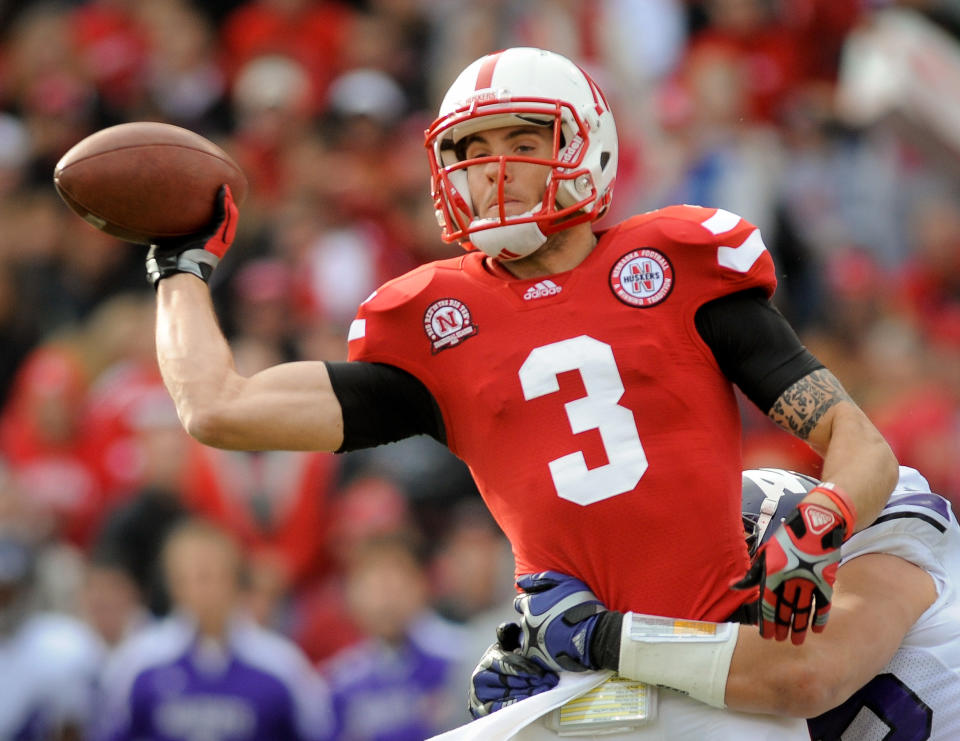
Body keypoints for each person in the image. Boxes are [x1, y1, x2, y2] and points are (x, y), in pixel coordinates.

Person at [147, 46, 897, 736]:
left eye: (521, 142)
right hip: (568, 686)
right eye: (471, 149)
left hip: (718, 675)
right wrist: (179, 268)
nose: (490, 167)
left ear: (583, 146)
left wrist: (829, 511)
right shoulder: (433, 325)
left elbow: (858, 443)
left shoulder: (681, 267)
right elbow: (218, 407)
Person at [462, 465, 960, 740]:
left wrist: (598, 637)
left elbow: (810, 673)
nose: (704, 617)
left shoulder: (883, 541)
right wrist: (542, 714)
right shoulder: (717, 667)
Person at [95, 518, 333, 741]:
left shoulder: (281, 664)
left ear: (234, 577)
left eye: (207, 575)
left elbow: (319, 731)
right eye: (184, 577)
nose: (198, 589)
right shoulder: (139, 660)